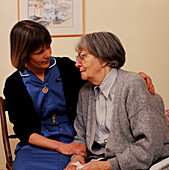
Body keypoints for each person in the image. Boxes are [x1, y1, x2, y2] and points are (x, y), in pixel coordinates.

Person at [4, 20, 154, 170]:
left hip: (77, 142)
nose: (48, 54)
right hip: (37, 148)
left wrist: (133, 77)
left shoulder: (65, 67)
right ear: (24, 54)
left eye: (48, 46)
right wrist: (62, 147)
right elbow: (25, 132)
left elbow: (102, 74)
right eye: (39, 52)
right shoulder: (14, 84)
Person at [65, 32, 169, 170]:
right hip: (102, 160)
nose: (77, 64)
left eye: (83, 56)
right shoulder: (85, 92)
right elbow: (81, 136)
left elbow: (150, 145)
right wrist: (77, 157)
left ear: (104, 59)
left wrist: (106, 166)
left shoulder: (133, 85)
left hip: (141, 163)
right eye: (77, 58)